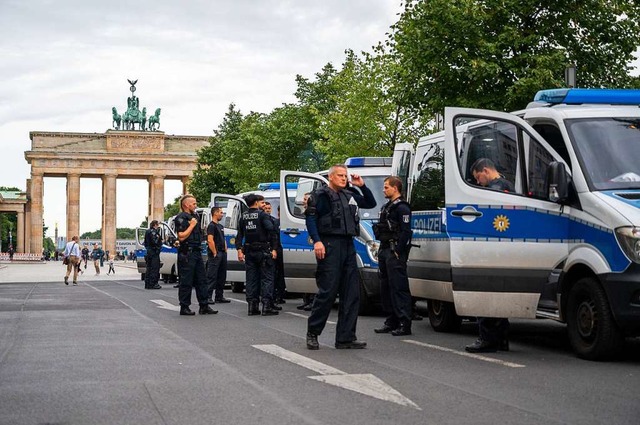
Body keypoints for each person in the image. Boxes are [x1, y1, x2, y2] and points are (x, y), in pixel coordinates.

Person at [305, 165, 377, 350]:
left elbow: (370, 203)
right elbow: (311, 218)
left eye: (345, 176)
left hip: (347, 244)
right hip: (329, 244)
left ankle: (345, 338)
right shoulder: (321, 195)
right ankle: (313, 333)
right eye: (340, 175)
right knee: (327, 292)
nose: (344, 178)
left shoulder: (350, 194)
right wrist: (317, 241)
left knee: (351, 294)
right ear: (331, 177)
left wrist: (362, 185)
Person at [465, 158, 513, 353]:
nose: (478, 183)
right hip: (505, 247)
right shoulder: (509, 184)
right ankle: (501, 339)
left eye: (478, 178)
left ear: (485, 171)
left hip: (490, 246)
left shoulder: (492, 190)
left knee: (484, 293)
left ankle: (486, 338)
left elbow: (484, 218)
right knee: (500, 295)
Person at [373, 176, 414, 336]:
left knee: (399, 287)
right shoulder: (387, 207)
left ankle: (404, 322)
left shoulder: (402, 208)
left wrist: (398, 249)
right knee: (386, 287)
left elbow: (406, 231)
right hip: (384, 249)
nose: (384, 190)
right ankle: (391, 320)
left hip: (394, 251)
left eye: (386, 187)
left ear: (395, 188)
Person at [236, 193, 279, 316]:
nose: (264, 204)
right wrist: (274, 248)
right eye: (262, 202)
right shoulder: (262, 215)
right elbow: (272, 232)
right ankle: (266, 306)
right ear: (256, 203)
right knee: (267, 279)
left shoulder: (243, 217)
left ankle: (252, 307)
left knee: (251, 279)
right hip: (263, 251)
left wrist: (239, 249)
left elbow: (239, 235)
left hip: (249, 251)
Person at [174, 194, 217, 316]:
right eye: (193, 203)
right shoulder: (181, 217)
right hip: (187, 252)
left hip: (197, 251)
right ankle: (184, 307)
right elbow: (181, 236)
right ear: (186, 205)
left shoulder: (195, 216)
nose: (195, 205)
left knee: (202, 280)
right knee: (186, 281)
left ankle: (204, 305)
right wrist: (192, 225)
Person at [206, 207, 230, 304]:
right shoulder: (211, 226)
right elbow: (210, 240)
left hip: (222, 252)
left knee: (221, 276)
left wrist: (225, 249)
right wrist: (214, 252)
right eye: (220, 212)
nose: (222, 214)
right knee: (212, 276)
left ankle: (219, 296)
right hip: (216, 253)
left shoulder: (220, 226)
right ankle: (208, 296)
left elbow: (223, 239)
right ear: (215, 213)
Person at [296, 193, 315, 311]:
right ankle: (306, 300)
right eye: (303, 199)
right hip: (303, 245)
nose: (303, 201)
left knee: (313, 274)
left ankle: (313, 300)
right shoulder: (301, 213)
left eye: (306, 199)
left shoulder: (313, 212)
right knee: (305, 273)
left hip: (312, 245)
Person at [273, 205, 286, 304]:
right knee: (277, 274)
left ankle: (281, 295)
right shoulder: (275, 223)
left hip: (284, 250)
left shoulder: (287, 223)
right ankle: (277, 295)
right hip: (277, 250)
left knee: (282, 273)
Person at [144, 220, 163, 289]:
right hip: (154, 252)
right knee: (155, 268)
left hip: (149, 252)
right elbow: (155, 242)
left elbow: (145, 243)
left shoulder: (147, 231)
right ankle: (153, 283)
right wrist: (159, 246)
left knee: (148, 268)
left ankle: (148, 283)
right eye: (157, 224)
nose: (158, 226)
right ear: (155, 225)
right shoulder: (154, 232)